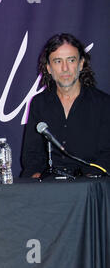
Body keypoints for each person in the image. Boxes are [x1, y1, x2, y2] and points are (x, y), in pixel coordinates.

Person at [21, 33, 110, 178]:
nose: (65, 68)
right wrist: (36, 181)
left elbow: (107, 155)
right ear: (48, 68)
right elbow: (31, 156)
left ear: (81, 64)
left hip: (89, 186)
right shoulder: (39, 103)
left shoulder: (103, 104)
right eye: (57, 61)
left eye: (71, 60)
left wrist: (87, 181)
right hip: (48, 186)